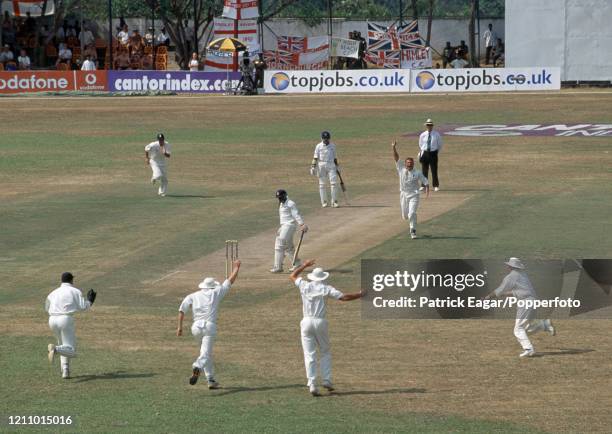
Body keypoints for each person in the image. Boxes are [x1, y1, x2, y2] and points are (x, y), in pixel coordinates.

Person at [290, 259, 364, 396]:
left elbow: (292, 276)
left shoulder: (304, 285)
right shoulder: (326, 288)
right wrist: (360, 295)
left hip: (306, 322)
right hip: (320, 322)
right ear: (323, 277)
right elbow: (344, 297)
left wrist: (304, 265)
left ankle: (312, 384)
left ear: (312, 277)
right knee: (325, 351)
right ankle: (326, 380)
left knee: (309, 354)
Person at [177, 260, 241, 388]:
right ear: (212, 286)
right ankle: (197, 366)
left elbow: (182, 309)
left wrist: (179, 327)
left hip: (195, 328)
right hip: (209, 327)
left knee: (206, 353)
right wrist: (237, 267)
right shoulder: (216, 292)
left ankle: (210, 379)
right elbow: (229, 281)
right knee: (205, 354)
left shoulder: (193, 295)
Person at [483, 258, 556, 358]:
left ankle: (529, 349)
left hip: (526, 302)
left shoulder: (511, 276)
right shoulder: (522, 274)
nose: (507, 267)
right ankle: (544, 325)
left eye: (508, 265)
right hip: (532, 301)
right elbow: (516, 292)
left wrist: (487, 297)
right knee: (525, 328)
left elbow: (499, 290)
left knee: (518, 329)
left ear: (511, 266)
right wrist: (502, 295)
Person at [45, 272, 96, 379]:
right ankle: (55, 350)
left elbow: (46, 307)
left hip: (52, 320)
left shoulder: (53, 293)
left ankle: (65, 371)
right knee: (71, 350)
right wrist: (90, 301)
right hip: (65, 319)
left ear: (61, 280)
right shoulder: (75, 291)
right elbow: (83, 307)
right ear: (72, 280)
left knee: (63, 345)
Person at [392, 140, 429, 239]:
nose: (409, 164)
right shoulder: (401, 169)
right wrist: (393, 147)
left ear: (413, 164)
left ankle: (413, 230)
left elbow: (425, 182)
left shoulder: (417, 172)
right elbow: (396, 158)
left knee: (412, 213)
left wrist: (427, 192)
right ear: (405, 163)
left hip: (414, 195)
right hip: (403, 194)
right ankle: (410, 219)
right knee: (405, 216)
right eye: (408, 163)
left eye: (411, 163)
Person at [271, 189, 308, 273]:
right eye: (278, 198)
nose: (279, 199)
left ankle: (278, 267)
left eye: (281, 197)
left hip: (289, 225)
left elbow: (296, 214)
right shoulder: (281, 203)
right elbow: (284, 217)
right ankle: (297, 264)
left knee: (280, 244)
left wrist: (302, 224)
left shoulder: (290, 203)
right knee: (288, 246)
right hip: (284, 226)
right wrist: (281, 228)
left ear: (285, 196)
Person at [310, 131, 341, 208]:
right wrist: (313, 166)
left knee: (333, 184)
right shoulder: (318, 146)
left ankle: (334, 202)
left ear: (329, 138)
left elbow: (335, 157)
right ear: (322, 138)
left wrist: (337, 166)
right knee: (322, 185)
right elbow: (315, 157)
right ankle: (324, 202)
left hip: (331, 165)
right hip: (321, 166)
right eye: (324, 139)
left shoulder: (332, 146)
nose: (326, 140)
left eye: (327, 139)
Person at [418, 119, 442, 191]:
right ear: (426, 126)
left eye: (430, 125)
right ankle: (423, 185)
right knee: (424, 170)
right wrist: (423, 151)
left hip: (433, 153)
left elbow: (440, 144)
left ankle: (435, 185)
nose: (429, 126)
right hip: (425, 153)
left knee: (434, 170)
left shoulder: (436, 134)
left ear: (432, 126)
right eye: (428, 125)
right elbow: (420, 144)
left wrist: (435, 152)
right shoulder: (423, 134)